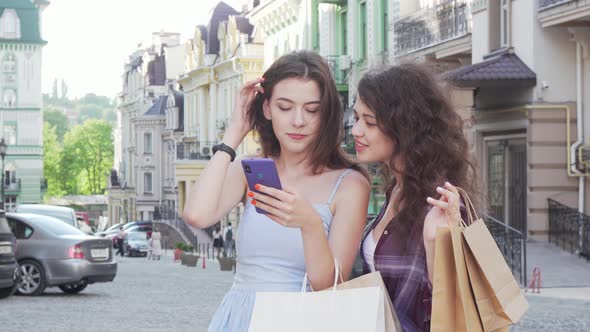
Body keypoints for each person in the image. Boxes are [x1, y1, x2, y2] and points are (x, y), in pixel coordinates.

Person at [183, 50, 370, 331]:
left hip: (302, 320)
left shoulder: (349, 184)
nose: (298, 121)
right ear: (267, 109)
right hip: (240, 318)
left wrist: (310, 224)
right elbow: (196, 215)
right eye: (285, 107)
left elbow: (328, 284)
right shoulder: (251, 169)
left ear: (326, 113)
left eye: (312, 110)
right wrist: (234, 134)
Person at [352, 63, 478, 332]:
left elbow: (452, 305)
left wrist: (434, 244)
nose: (356, 130)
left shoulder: (441, 201)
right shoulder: (395, 191)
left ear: (404, 127)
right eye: (356, 118)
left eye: (369, 122)